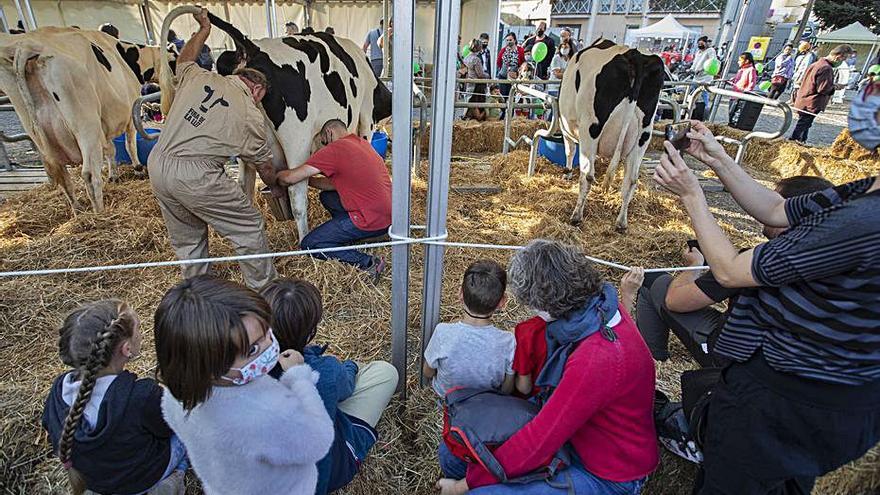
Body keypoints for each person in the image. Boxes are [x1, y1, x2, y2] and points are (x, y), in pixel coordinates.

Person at [652, 119, 880, 494]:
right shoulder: (864, 192)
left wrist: (692, 195)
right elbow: (777, 209)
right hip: (824, 400)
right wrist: (719, 159)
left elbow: (727, 271)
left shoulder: (864, 222)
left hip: (785, 400)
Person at [437, 240, 658, 494]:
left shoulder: (595, 358)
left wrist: (463, 486)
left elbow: (540, 440)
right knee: (451, 455)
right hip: (577, 437)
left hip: (606, 471)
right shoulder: (597, 308)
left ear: (544, 306)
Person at [155, 275, 334, 494]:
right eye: (252, 350)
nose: (270, 345)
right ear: (209, 364)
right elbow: (319, 440)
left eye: (267, 331)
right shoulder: (270, 412)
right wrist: (299, 378)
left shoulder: (175, 397)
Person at [635, 176, 833, 367]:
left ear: (789, 211)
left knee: (652, 282)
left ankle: (652, 361)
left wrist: (693, 267)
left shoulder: (756, 261)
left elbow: (676, 301)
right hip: (799, 368)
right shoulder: (838, 261)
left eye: (773, 203)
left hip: (737, 362)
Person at [148, 8, 280, 289]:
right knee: (249, 227)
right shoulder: (249, 112)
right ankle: (264, 291)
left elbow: (184, 59)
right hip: (196, 175)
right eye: (261, 99)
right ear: (257, 90)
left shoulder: (200, 77)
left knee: (188, 238)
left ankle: (197, 293)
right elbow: (264, 165)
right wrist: (276, 186)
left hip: (158, 164)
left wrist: (203, 31)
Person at [261, 278, 397, 495]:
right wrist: (348, 365)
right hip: (328, 465)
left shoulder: (240, 370)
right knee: (385, 373)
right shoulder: (325, 370)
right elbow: (346, 387)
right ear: (309, 332)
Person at [42, 300, 187, 495]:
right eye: (139, 329)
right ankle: (171, 479)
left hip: (93, 481)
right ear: (126, 349)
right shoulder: (141, 396)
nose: (141, 332)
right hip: (141, 478)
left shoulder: (59, 389)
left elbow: (48, 426)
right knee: (187, 429)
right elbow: (168, 427)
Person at [276, 119, 391, 278]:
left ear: (329, 133)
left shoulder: (335, 149)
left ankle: (369, 262)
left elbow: (289, 178)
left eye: (323, 142)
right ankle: (366, 234)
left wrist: (275, 175)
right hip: (389, 216)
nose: (323, 147)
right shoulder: (361, 143)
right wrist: (308, 181)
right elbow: (333, 185)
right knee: (327, 197)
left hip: (370, 218)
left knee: (311, 244)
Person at [513, 266, 645, 398]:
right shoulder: (592, 319)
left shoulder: (527, 331)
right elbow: (617, 335)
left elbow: (524, 388)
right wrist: (628, 295)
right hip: (587, 396)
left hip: (550, 399)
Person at [424, 259, 515, 400]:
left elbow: (428, 372)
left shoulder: (443, 332)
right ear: (502, 302)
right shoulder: (508, 341)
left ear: (460, 293)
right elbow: (507, 389)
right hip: (483, 405)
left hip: (445, 402)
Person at [791, 44, 854, 143]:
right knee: (803, 125)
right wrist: (836, 87)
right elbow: (823, 89)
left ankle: (801, 141)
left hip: (805, 99)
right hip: (812, 102)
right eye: (844, 58)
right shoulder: (826, 68)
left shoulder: (816, 64)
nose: (843, 61)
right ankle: (793, 141)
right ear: (838, 56)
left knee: (805, 124)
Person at [496, 32, 525, 117]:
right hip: (503, 76)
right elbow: (499, 62)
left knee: (512, 96)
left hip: (514, 76)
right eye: (507, 40)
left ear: (514, 40)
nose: (509, 42)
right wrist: (505, 70)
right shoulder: (503, 50)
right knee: (503, 96)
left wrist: (516, 73)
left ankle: (510, 115)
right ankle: (502, 115)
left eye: (510, 40)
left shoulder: (520, 50)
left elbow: (523, 62)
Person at [727, 52, 757, 126]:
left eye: (740, 60)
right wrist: (732, 79)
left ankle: (733, 125)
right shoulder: (741, 70)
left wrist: (746, 94)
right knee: (730, 112)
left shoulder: (751, 70)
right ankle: (730, 124)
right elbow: (738, 79)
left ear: (746, 61)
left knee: (735, 113)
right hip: (734, 94)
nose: (738, 62)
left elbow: (752, 83)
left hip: (741, 96)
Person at [463, 39, 490, 121]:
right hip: (477, 85)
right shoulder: (476, 59)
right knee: (477, 105)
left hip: (469, 83)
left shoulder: (466, 57)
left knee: (468, 103)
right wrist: (487, 75)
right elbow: (480, 74)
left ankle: (467, 118)